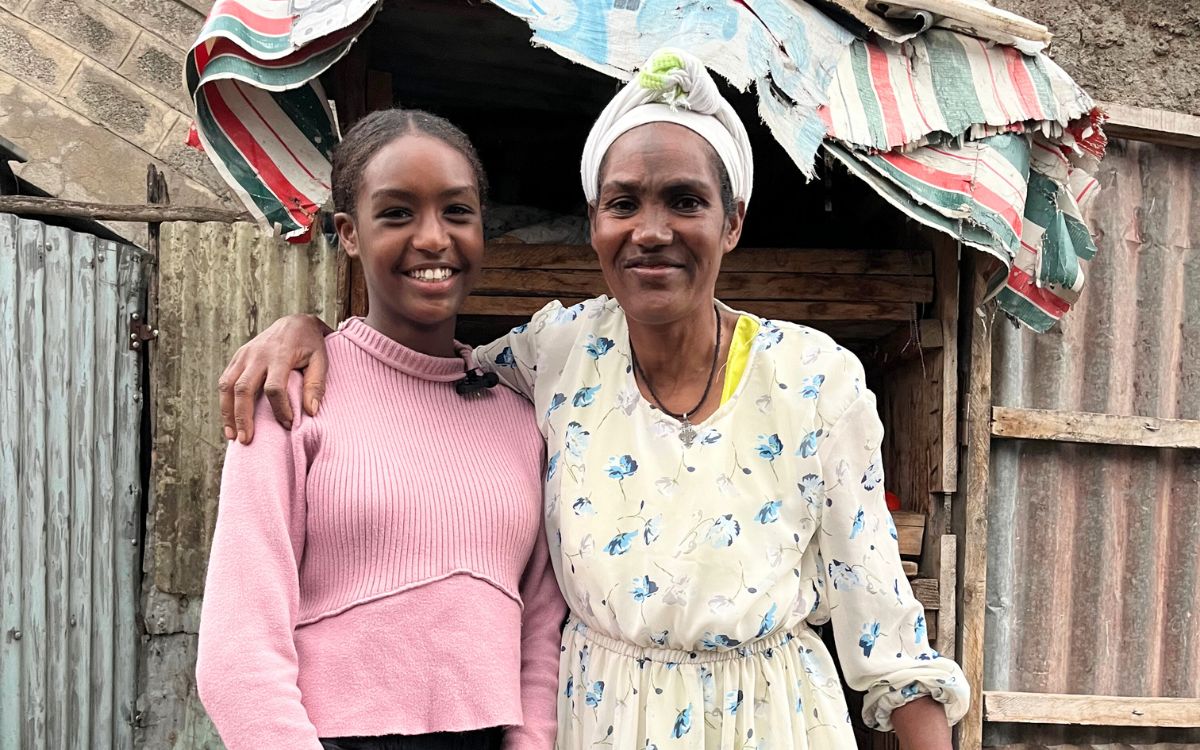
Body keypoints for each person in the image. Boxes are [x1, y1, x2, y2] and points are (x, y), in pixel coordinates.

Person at [218, 49, 970, 749]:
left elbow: (885, 627)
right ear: (594, 225)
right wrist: (310, 329)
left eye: (684, 201)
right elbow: (416, 373)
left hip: (772, 723)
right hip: (595, 722)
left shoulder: (815, 382)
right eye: (623, 204)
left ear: (732, 221)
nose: (651, 231)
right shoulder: (557, 357)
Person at [196, 109, 566, 750]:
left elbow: (540, 625)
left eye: (457, 211)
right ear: (348, 233)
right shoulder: (292, 398)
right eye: (397, 213)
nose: (433, 238)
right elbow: (239, 650)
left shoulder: (519, 414)